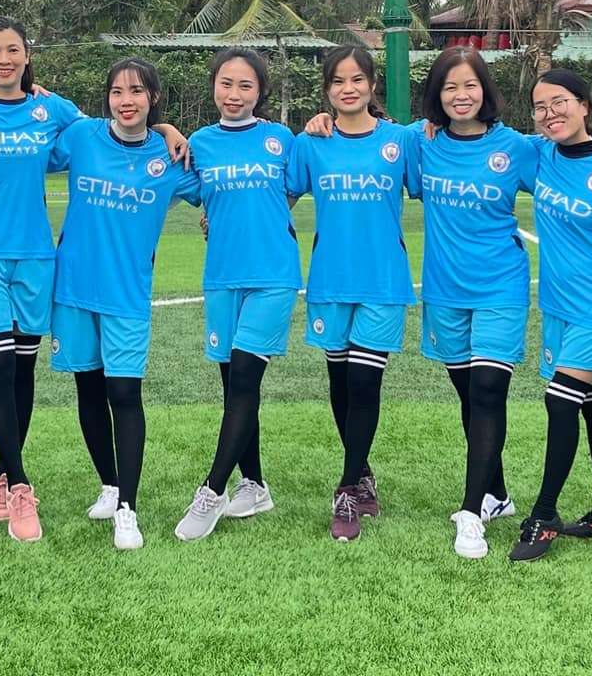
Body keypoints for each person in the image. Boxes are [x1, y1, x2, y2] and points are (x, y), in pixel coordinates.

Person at [0, 19, 188, 540]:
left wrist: (167, 129)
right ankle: (19, 487)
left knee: (22, 373)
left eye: (13, 49)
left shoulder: (54, 111)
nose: (3, 59)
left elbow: (117, 129)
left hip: (37, 256)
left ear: (27, 55)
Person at [50, 58, 201, 550]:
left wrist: (171, 131)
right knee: (88, 389)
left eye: (136, 91)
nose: (126, 101)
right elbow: (33, 124)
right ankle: (110, 487)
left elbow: (216, 189)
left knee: (125, 395)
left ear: (153, 97)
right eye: (117, 92)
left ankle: (127, 510)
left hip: (127, 295)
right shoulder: (82, 136)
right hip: (73, 289)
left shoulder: (170, 157)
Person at [411, 46, 537, 560]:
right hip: (445, 289)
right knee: (469, 395)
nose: (460, 96)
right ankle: (497, 494)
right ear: (436, 96)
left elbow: (572, 163)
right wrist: (324, 121)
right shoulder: (421, 143)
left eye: (470, 85)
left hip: (501, 285)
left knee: (488, 390)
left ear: (485, 90)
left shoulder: (516, 148)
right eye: (449, 87)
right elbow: (365, 136)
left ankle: (471, 513)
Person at [290, 47, 415, 541]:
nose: (348, 88)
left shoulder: (400, 141)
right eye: (338, 81)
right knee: (340, 384)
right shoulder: (311, 142)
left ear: (372, 85)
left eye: (357, 79)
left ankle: (346, 490)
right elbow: (281, 196)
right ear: (327, 89)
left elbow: (441, 168)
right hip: (330, 280)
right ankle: (362, 472)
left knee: (365, 383)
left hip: (383, 281)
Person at [173, 49, 299, 542]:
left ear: (260, 92)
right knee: (234, 388)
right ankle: (255, 485)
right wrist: (164, 128)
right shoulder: (200, 144)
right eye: (226, 83)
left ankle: (212, 490)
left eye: (245, 86)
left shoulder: (281, 139)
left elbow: (296, 185)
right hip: (222, 277)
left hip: (273, 275)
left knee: (245, 377)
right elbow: (184, 184)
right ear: (214, 87)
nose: (234, 94)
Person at [506, 69, 592, 563]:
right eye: (540, 106)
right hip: (559, 304)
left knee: (560, 401)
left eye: (559, 102)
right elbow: (474, 130)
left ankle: (544, 515)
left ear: (584, 105)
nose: (549, 113)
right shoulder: (540, 154)